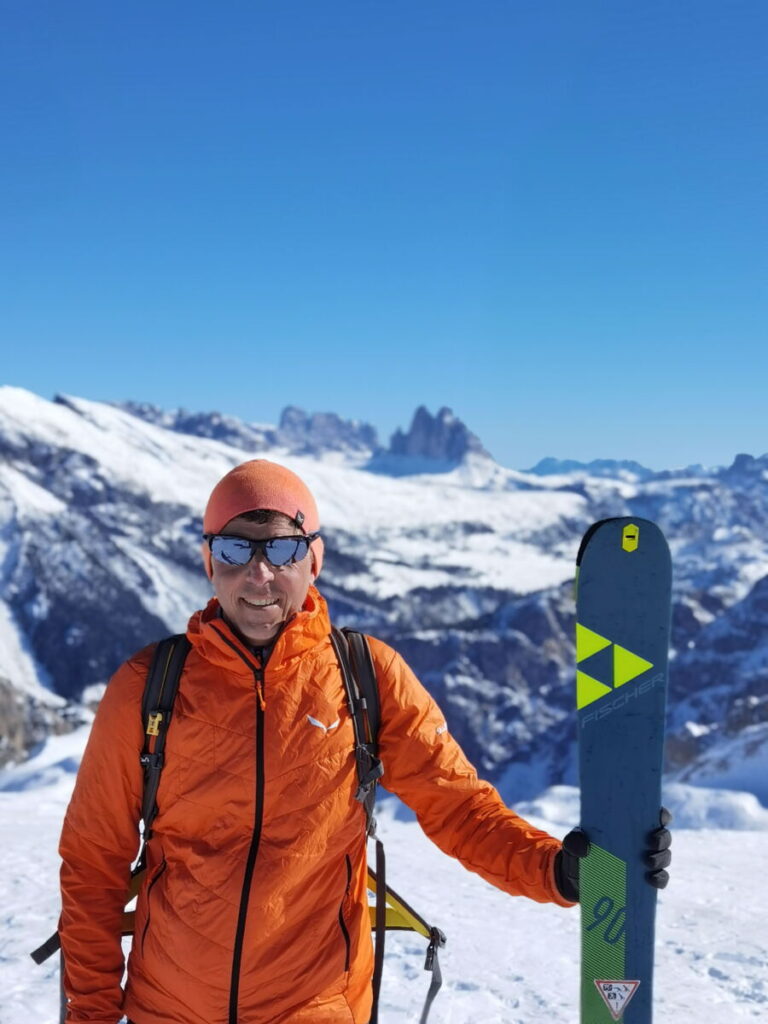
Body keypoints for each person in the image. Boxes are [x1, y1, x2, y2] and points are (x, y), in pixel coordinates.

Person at [58, 459, 670, 1024]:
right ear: (208, 560)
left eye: (282, 548)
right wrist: (88, 1014)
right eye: (236, 548)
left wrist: (556, 870)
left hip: (318, 1009)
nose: (259, 573)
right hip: (170, 1010)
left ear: (314, 558)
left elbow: (459, 807)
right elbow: (94, 866)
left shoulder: (365, 677)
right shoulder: (149, 689)